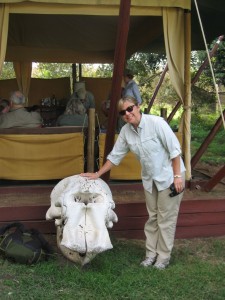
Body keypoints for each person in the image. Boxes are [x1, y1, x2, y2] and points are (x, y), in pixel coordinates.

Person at [81, 95, 186, 270]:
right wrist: (97, 174)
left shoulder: (157, 123)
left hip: (170, 176)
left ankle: (163, 257)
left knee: (165, 219)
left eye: (130, 109)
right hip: (150, 179)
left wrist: (177, 177)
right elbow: (115, 157)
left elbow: (175, 151)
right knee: (153, 218)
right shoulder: (126, 131)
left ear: (138, 106)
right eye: (123, 112)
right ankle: (150, 255)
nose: (128, 114)